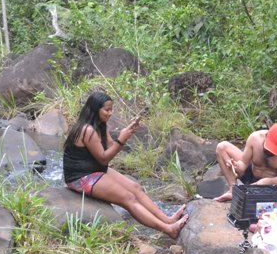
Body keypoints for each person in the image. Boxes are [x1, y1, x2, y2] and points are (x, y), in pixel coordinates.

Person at [63, 91, 188, 239]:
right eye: (107, 110)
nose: (110, 113)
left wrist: (125, 134)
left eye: (111, 109)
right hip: (81, 176)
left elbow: (111, 147)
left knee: (135, 187)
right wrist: (121, 140)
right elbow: (104, 158)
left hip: (95, 169)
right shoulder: (87, 130)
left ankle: (168, 219)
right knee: (128, 198)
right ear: (95, 110)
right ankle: (168, 229)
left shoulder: (100, 125)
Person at [213, 122, 277, 203]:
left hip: (270, 185)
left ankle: (257, 198)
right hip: (251, 176)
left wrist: (267, 181)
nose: (269, 153)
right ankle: (233, 190)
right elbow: (243, 163)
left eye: (274, 151)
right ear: (266, 136)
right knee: (222, 147)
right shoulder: (255, 138)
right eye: (268, 148)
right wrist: (235, 165)